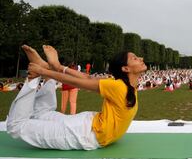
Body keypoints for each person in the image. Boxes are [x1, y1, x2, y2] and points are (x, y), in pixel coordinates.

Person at [6, 44, 147, 150]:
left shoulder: (122, 85)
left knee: (43, 114)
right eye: (135, 58)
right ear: (126, 69)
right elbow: (81, 80)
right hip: (85, 133)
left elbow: (88, 78)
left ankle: (45, 71)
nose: (141, 58)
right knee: (16, 127)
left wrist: (55, 67)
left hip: (88, 126)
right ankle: (34, 78)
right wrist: (46, 70)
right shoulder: (119, 86)